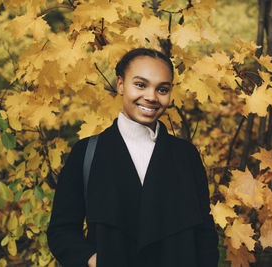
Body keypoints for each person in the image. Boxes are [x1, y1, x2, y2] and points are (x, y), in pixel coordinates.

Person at [46, 48, 219, 267]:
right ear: (120, 84)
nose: (151, 96)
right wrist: (93, 260)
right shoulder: (86, 153)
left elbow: (205, 236)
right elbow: (61, 230)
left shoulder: (186, 155)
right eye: (140, 84)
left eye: (162, 89)